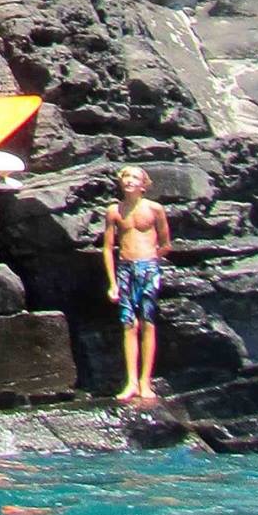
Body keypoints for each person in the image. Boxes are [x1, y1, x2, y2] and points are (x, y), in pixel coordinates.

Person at [102, 165, 172, 404]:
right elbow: (108, 248)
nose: (129, 181)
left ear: (144, 185)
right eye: (126, 177)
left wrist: (151, 263)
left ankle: (145, 381)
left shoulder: (154, 209)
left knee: (148, 323)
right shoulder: (114, 211)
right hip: (125, 269)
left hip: (148, 268)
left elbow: (166, 243)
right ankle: (131, 381)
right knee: (128, 324)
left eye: (135, 177)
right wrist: (113, 283)